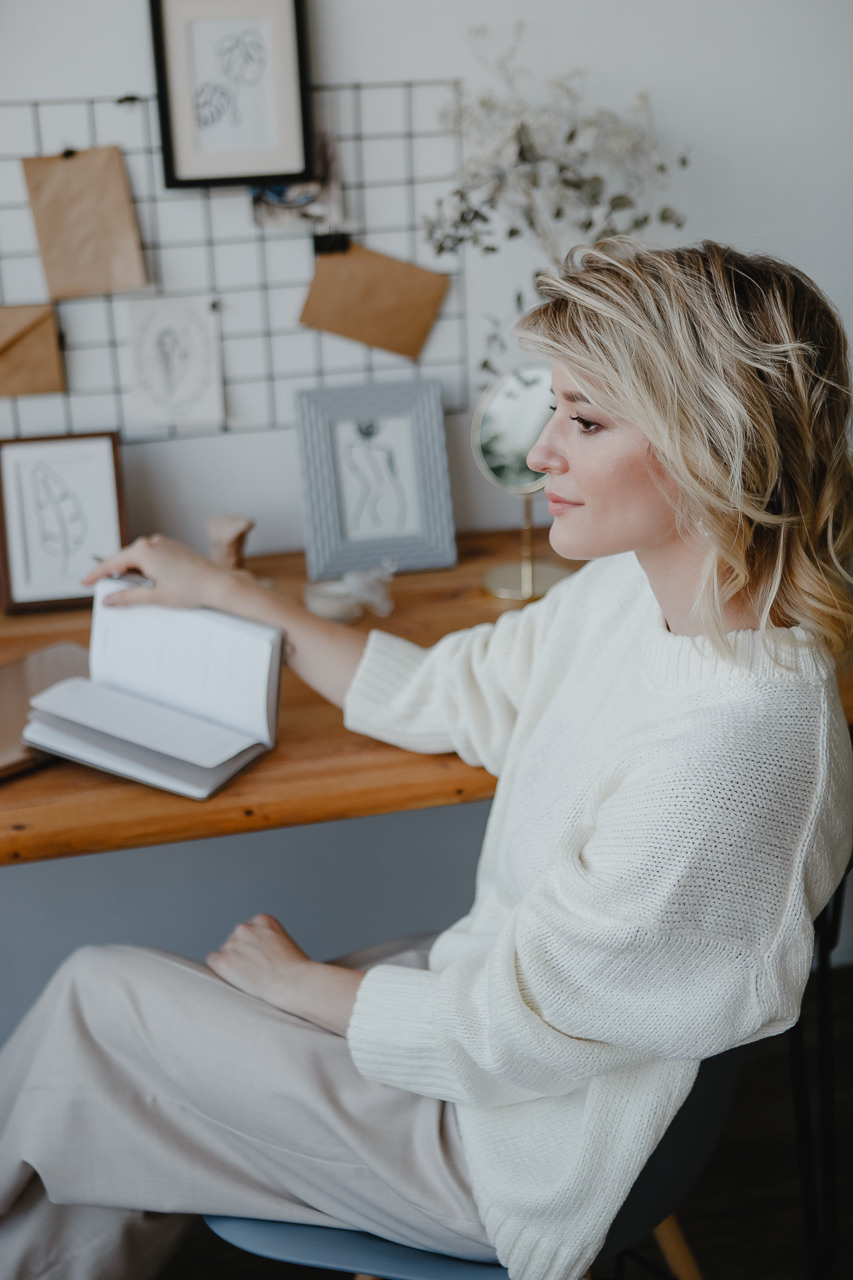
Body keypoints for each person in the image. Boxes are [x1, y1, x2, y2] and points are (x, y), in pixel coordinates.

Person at [2, 239, 852, 1280]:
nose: (540, 450)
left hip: (517, 1147)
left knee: (100, 999)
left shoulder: (736, 750)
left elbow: (512, 1028)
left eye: (584, 420)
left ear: (709, 440)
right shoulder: (634, 594)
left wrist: (311, 989)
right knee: (124, 1058)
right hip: (483, 1028)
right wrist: (231, 592)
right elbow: (447, 693)